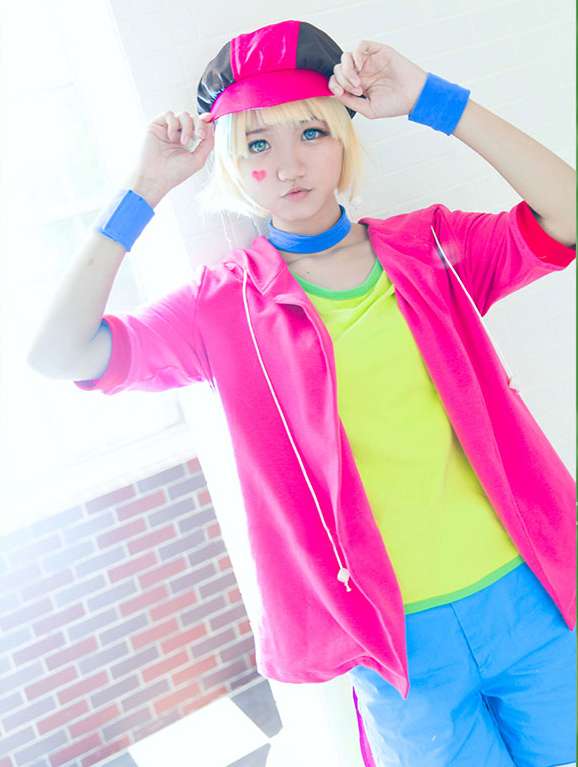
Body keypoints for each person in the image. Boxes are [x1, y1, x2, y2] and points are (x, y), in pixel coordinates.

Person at [27, 19, 576, 767]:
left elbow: (567, 215)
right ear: (233, 162)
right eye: (258, 144)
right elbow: (60, 352)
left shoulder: (433, 250)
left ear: (344, 140)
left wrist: (433, 100)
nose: (289, 164)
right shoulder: (223, 309)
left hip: (530, 596)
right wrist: (144, 188)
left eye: (312, 132)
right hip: (394, 642)